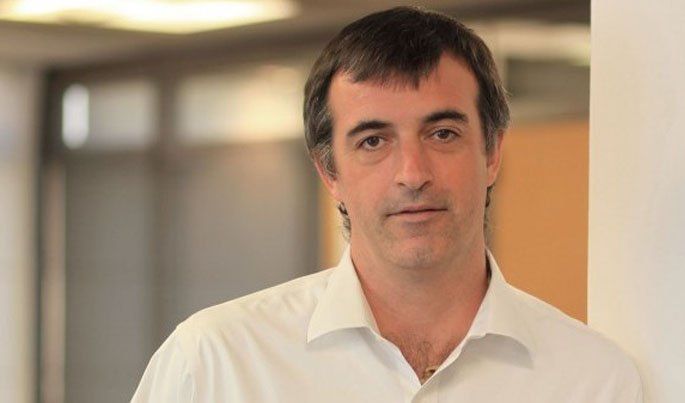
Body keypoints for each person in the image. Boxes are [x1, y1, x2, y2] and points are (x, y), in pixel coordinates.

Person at [132, 6, 643, 402]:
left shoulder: (593, 381)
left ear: (492, 153)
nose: (413, 174)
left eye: (442, 134)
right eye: (373, 141)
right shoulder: (216, 364)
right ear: (329, 172)